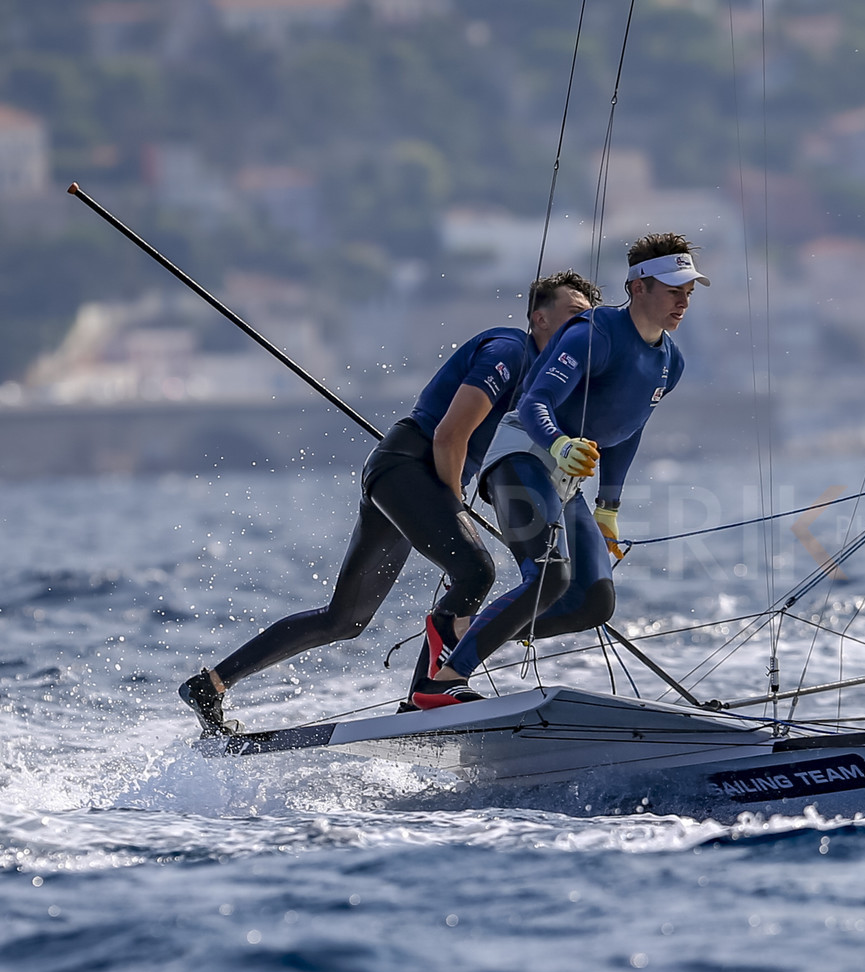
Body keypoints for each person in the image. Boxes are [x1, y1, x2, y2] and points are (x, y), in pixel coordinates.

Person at [179, 270, 602, 733]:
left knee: (343, 620)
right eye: (575, 314)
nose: (582, 328)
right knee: (476, 570)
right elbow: (449, 435)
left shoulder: (549, 376)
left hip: (409, 480)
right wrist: (455, 502)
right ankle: (430, 692)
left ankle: (210, 685)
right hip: (407, 468)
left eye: (590, 322)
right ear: (539, 317)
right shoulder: (510, 350)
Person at [410, 233, 707, 709]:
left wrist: (609, 507)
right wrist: (560, 441)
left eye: (688, 292)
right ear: (638, 288)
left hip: (566, 482)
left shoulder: (671, 361)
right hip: (522, 456)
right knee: (549, 577)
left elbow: (627, 431)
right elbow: (534, 403)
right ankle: (441, 682)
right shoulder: (595, 333)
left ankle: (461, 632)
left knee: (592, 602)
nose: (683, 301)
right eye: (674, 290)